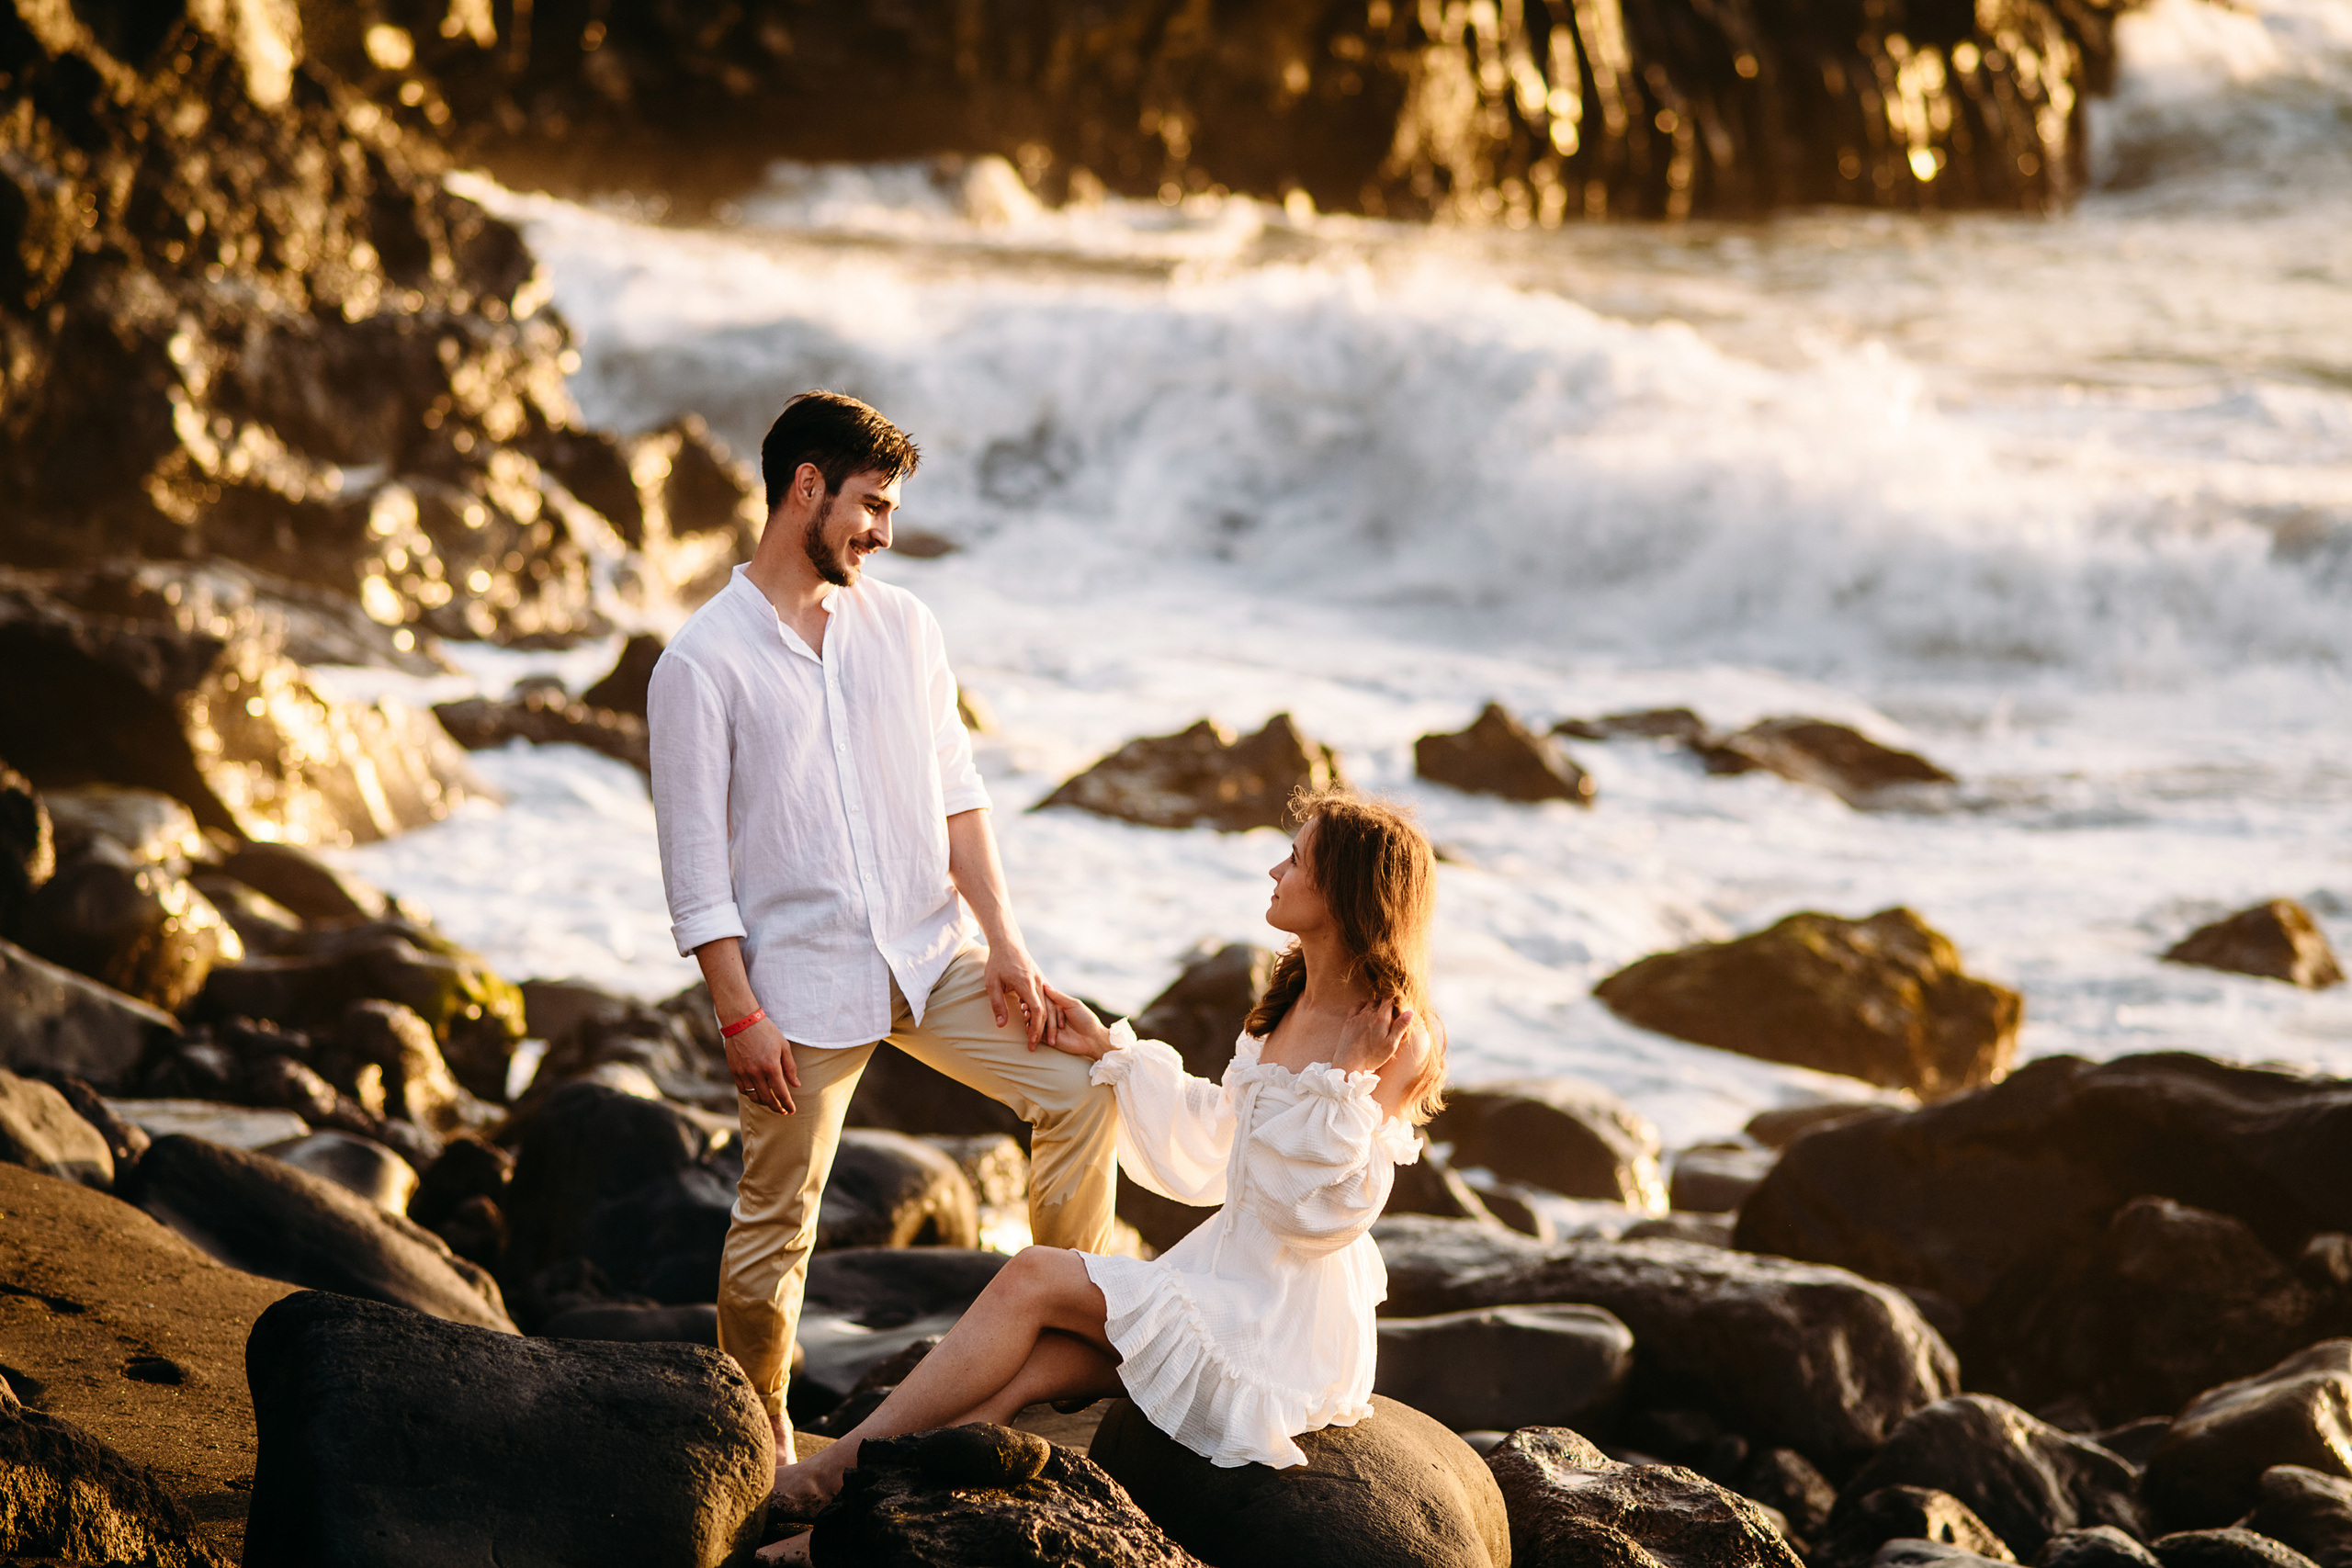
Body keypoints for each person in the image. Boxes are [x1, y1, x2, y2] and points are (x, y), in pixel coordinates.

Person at [647, 389, 1120, 1465]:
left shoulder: (905, 627)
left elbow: (959, 795)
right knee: (778, 1221)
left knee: (1085, 1088)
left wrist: (1005, 944)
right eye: (871, 505)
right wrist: (738, 1016)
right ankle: (757, 1431)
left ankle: (1068, 1334)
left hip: (932, 952)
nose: (884, 533)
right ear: (804, 489)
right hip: (800, 987)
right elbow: (693, 874)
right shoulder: (700, 664)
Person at [767, 786, 1447, 1525]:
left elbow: (1325, 1213)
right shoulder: (1289, 1002)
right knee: (1023, 1375)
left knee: (1033, 1274)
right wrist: (1114, 1052)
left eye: (1296, 858)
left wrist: (1348, 1076)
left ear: (1346, 888)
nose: (1274, 870)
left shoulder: (1394, 1033)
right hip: (1219, 1275)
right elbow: (1222, 1139)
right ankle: (848, 1520)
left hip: (1279, 1318)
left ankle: (826, 1469)